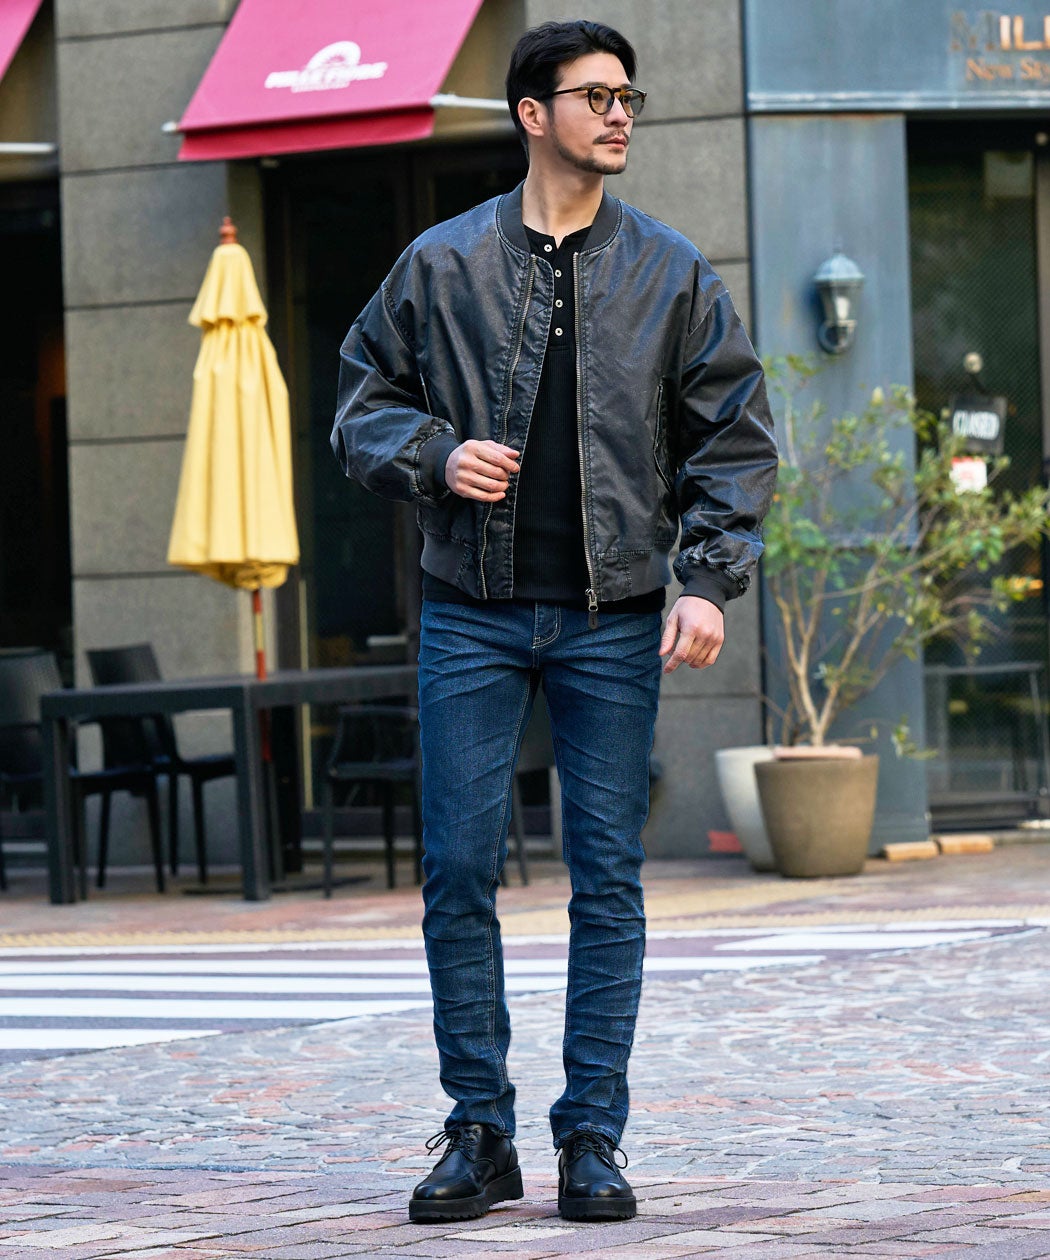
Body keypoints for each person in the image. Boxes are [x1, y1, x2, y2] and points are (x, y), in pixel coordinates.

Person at [332, 18, 777, 1225]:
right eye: (595, 96)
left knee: (608, 880)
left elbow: (735, 438)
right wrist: (435, 454)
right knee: (457, 871)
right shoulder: (442, 264)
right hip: (469, 616)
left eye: (630, 96)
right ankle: (480, 1133)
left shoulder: (672, 271)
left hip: (615, 618)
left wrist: (706, 578)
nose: (620, 114)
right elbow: (361, 402)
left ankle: (592, 1138)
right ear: (533, 114)